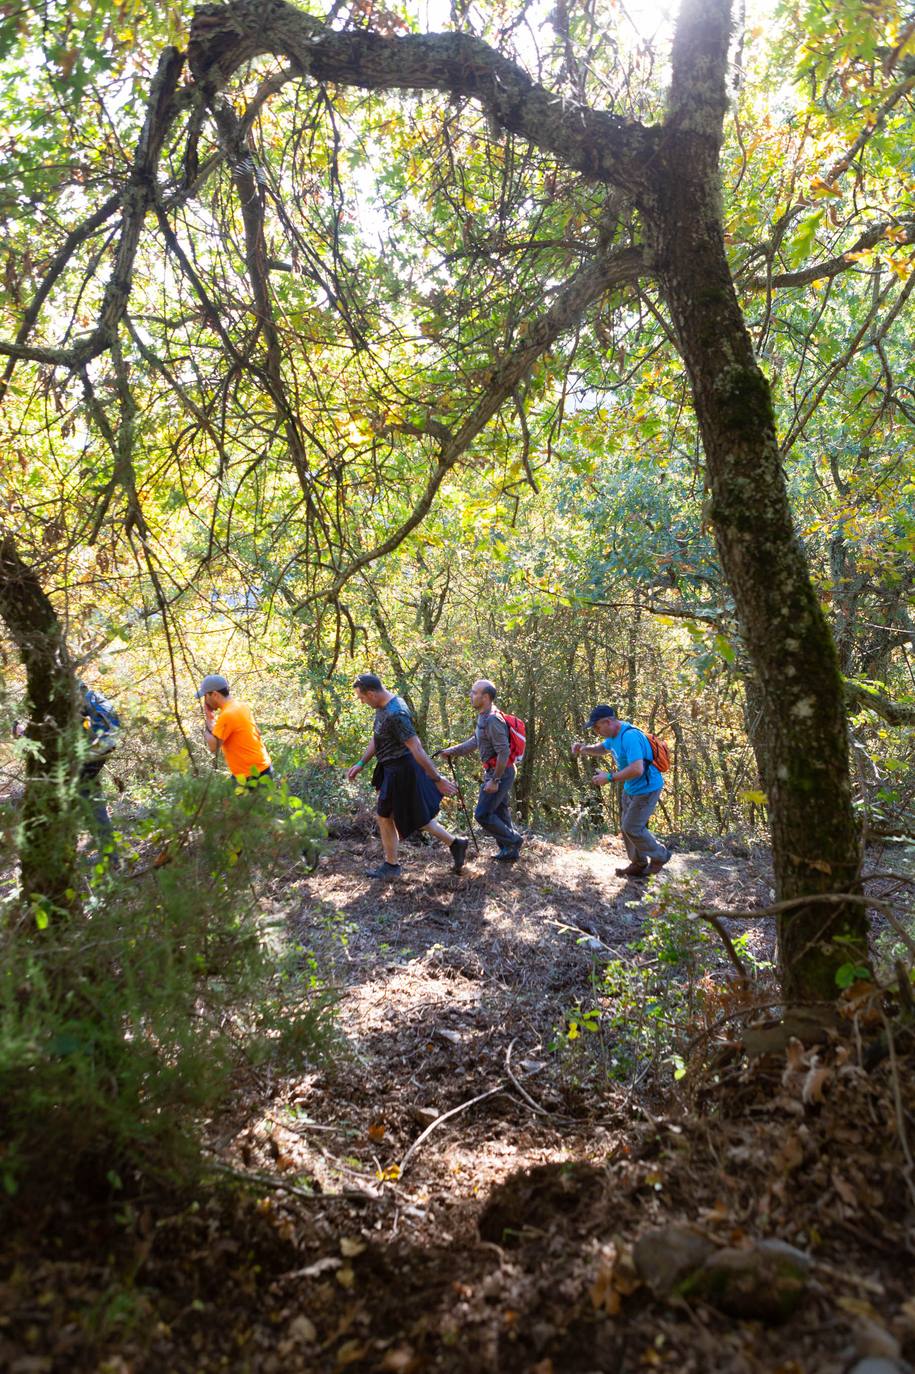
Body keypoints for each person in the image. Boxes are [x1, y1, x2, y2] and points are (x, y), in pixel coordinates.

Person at [347, 673, 467, 880]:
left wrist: (437, 779)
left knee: (387, 816)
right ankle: (455, 843)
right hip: (391, 769)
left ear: (372, 693)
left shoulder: (396, 714)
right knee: (412, 817)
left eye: (362, 698)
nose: (362, 701)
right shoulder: (383, 708)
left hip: (403, 772)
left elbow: (417, 748)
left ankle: (392, 865)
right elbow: (378, 737)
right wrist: (360, 763)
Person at [572, 705, 672, 879]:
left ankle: (660, 856)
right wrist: (584, 748)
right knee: (626, 827)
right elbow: (603, 748)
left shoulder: (630, 737)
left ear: (608, 722)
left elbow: (637, 769)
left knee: (632, 827)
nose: (596, 731)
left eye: (597, 727)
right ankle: (638, 864)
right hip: (631, 788)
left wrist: (609, 778)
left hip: (647, 789)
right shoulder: (613, 735)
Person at [440, 678, 524, 862]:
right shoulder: (484, 716)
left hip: (500, 772)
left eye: (474, 692)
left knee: (483, 814)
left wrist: (495, 780)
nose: (470, 695)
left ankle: (514, 840)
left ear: (485, 697)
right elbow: (476, 741)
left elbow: (503, 751)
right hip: (497, 771)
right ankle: (509, 851)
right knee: (500, 812)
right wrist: (453, 751)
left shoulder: (493, 720)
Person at [198, 674, 273, 783]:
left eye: (206, 696)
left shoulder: (227, 715)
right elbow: (258, 732)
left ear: (214, 694)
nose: (205, 701)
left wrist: (208, 720)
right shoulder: (241, 706)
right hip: (261, 768)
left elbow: (213, 746)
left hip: (252, 775)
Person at [78, 682, 120, 861]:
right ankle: (111, 854)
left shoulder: (80, 705)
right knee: (93, 800)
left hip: (89, 757)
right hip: (99, 755)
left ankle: (109, 855)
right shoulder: (94, 699)